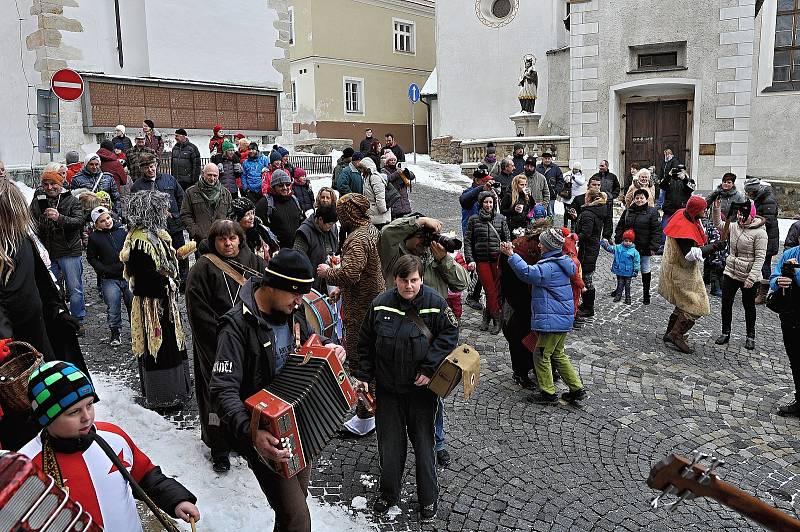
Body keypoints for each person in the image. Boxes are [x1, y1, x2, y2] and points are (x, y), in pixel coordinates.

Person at [210, 250, 346, 532]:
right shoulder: (235, 327)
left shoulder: (291, 310)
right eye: (295, 293)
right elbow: (222, 390)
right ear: (271, 285)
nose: (300, 301)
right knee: (298, 519)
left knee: (293, 506)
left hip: (298, 426)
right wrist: (252, 432)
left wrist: (325, 345)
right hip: (264, 435)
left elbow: (307, 341)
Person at [19, 361, 200, 531]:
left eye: (89, 405)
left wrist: (176, 500)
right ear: (46, 418)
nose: (87, 417)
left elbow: (145, 475)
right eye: (74, 412)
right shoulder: (26, 466)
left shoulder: (113, 437)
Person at [353, 254, 458, 522]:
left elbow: (448, 337)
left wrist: (429, 369)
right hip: (388, 392)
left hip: (422, 394)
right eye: (403, 280)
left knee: (425, 447)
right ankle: (389, 495)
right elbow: (365, 342)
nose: (409, 286)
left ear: (421, 279)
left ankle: (428, 499)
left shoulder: (435, 304)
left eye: (414, 280)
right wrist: (364, 374)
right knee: (390, 447)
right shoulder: (380, 305)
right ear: (394, 280)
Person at [1, 179, 88, 450]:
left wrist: (58, 310)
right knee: (22, 414)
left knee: (46, 399)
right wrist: (5, 343)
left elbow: (42, 282)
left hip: (37, 338)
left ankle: (57, 441)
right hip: (12, 352)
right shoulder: (12, 244)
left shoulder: (21, 240)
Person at [377, 212, 469, 464]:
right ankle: (395, 446)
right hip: (398, 340)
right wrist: (419, 222)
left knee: (433, 395)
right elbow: (386, 232)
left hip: (431, 343)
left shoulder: (434, 260)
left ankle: (437, 443)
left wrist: (444, 260)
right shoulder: (394, 255)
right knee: (396, 396)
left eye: (424, 238)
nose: (423, 242)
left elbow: (463, 283)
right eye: (418, 237)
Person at [186, 219, 264, 473]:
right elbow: (198, 313)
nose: (228, 244)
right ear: (214, 241)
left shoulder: (252, 262)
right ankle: (219, 447)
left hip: (248, 343)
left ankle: (245, 438)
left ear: (240, 239)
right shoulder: (202, 268)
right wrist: (223, 340)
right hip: (216, 345)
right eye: (222, 239)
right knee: (216, 396)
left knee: (247, 390)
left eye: (232, 238)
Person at [317, 194, 385, 436]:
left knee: (360, 361)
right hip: (371, 300)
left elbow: (351, 274)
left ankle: (366, 415)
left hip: (362, 309)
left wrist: (328, 273)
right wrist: (341, 290)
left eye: (342, 213)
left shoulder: (357, 239)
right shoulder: (370, 229)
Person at [121, 190, 193, 409]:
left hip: (163, 303)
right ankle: (164, 396)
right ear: (151, 211)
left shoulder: (155, 234)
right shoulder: (140, 242)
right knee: (159, 348)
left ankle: (176, 390)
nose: (167, 212)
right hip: (154, 306)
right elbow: (144, 280)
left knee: (172, 344)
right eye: (162, 208)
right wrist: (169, 282)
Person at [500, 229, 587, 404]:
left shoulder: (549, 266)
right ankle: (577, 389)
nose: (539, 245)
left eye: (541, 243)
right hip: (562, 318)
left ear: (548, 246)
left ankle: (548, 393)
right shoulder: (563, 261)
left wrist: (511, 254)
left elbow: (528, 273)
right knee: (558, 354)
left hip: (552, 320)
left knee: (540, 354)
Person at [658, 196, 726, 354]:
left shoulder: (686, 213)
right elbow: (690, 254)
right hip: (681, 270)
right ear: (696, 211)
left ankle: (670, 333)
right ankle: (676, 334)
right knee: (696, 305)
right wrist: (715, 247)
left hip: (679, 268)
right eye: (703, 209)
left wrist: (715, 199)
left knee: (683, 302)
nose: (705, 211)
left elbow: (700, 204)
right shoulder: (683, 229)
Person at [30, 170, 87, 333]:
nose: (49, 187)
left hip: (69, 251)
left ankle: (78, 320)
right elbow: (31, 220)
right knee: (52, 288)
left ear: (60, 184)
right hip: (48, 251)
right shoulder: (38, 200)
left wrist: (59, 218)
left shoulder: (71, 200)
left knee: (74, 288)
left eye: (53, 183)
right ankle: (59, 318)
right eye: (46, 184)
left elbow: (79, 221)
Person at [499, 217, 550, 388]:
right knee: (518, 336)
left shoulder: (536, 249)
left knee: (532, 336)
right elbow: (514, 275)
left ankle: (532, 368)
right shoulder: (520, 249)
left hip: (530, 301)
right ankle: (520, 372)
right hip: (517, 300)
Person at [709, 199, 767, 350]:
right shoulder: (734, 226)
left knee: (749, 306)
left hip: (748, 275)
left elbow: (760, 258)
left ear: (752, 216)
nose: (741, 218)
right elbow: (720, 226)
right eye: (739, 215)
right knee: (726, 303)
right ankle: (725, 332)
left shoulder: (760, 233)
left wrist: (752, 278)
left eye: (744, 216)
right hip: (731, 271)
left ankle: (750, 335)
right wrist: (716, 210)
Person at [130, 153, 189, 291]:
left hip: (174, 226)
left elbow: (182, 199)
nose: (150, 170)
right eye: (146, 168)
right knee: (161, 256)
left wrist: (176, 215)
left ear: (156, 165)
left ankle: (184, 280)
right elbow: (135, 211)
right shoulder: (137, 186)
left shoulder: (169, 179)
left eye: (152, 166)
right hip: (154, 230)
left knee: (180, 253)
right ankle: (166, 281)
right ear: (141, 169)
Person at [465, 191, 510, 334]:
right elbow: (468, 241)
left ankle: (487, 315)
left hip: (497, 259)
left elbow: (507, 237)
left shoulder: (501, 218)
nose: (488, 205)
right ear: (481, 203)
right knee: (490, 289)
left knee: (496, 291)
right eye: (486, 202)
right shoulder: (473, 220)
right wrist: (470, 259)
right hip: (481, 260)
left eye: (491, 202)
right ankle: (497, 319)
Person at [86, 206, 132, 346]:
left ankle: (136, 330)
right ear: (96, 224)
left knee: (133, 304)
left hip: (128, 275)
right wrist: (103, 270)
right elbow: (91, 257)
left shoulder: (122, 231)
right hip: (109, 278)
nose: (107, 222)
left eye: (108, 218)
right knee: (113, 306)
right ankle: (115, 332)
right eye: (102, 221)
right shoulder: (94, 238)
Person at [614, 189, 662, 304]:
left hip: (644, 247)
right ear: (634, 199)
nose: (639, 200)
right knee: (622, 268)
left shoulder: (652, 212)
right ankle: (619, 290)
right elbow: (621, 226)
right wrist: (618, 238)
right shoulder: (628, 211)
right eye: (637, 198)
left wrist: (653, 247)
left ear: (646, 199)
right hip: (628, 246)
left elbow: (657, 231)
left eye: (642, 198)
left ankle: (646, 294)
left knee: (645, 269)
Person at [770, 245, 800, 416]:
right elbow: (774, 279)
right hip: (790, 315)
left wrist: (794, 272)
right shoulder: (790, 254)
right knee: (795, 359)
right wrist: (779, 280)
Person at [744, 176, 780, 305]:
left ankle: (763, 293)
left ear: (753, 190)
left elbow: (769, 221)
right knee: (758, 264)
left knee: (764, 265)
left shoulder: (768, 200)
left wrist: (751, 221)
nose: (747, 194)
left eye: (749, 192)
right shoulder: (759, 198)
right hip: (761, 237)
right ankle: (756, 289)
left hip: (768, 239)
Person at [574, 183, 608, 320]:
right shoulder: (594, 211)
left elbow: (586, 233)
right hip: (591, 248)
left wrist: (574, 237)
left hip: (587, 250)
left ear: (589, 198)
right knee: (586, 277)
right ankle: (587, 305)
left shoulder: (589, 213)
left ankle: (589, 307)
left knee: (586, 278)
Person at [181, 163, 233, 244]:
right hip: (200, 240)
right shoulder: (191, 192)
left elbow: (231, 215)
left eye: (215, 176)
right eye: (209, 175)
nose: (212, 178)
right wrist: (195, 232)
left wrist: (226, 231)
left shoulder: (226, 193)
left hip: (222, 240)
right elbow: (185, 215)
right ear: (203, 174)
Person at [294, 205, 339, 293]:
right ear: (320, 220)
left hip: (328, 280)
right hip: (311, 281)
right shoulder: (305, 232)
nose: (332, 226)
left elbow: (334, 250)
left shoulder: (332, 229)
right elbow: (297, 259)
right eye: (329, 224)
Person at [255, 169, 305, 249]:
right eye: (281, 185)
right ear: (274, 187)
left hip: (296, 248)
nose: (285, 188)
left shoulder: (294, 200)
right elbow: (259, 228)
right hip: (277, 251)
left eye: (288, 184)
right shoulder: (265, 203)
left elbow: (302, 221)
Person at [71, 153, 122, 217]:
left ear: (100, 164)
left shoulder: (108, 177)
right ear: (86, 165)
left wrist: (117, 215)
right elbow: (74, 201)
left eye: (96, 164)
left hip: (106, 214)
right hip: (87, 215)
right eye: (91, 164)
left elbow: (116, 198)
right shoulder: (77, 179)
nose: (94, 167)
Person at [600, 230, 641, 305]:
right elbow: (610, 248)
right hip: (619, 271)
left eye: (629, 241)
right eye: (626, 240)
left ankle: (628, 298)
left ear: (632, 242)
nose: (627, 242)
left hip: (628, 272)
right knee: (620, 283)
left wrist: (636, 270)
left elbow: (636, 262)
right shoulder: (618, 248)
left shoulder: (634, 252)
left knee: (627, 285)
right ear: (623, 240)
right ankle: (618, 295)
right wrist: (604, 243)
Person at [659, 163, 695, 230]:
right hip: (669, 212)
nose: (678, 172)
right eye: (677, 170)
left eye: (681, 171)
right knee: (664, 232)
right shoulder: (669, 180)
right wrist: (669, 175)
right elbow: (662, 186)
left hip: (682, 212)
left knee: (681, 232)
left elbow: (690, 189)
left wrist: (684, 179)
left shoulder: (689, 181)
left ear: (685, 171)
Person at [590, 160, 620, 240]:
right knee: (597, 219)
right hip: (597, 202)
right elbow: (589, 186)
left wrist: (611, 196)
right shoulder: (595, 176)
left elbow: (617, 188)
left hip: (608, 202)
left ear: (607, 166)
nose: (600, 168)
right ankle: (595, 236)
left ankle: (607, 237)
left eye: (602, 166)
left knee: (608, 220)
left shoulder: (612, 176)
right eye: (600, 166)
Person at [381, 151, 414, 220]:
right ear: (387, 162)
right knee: (394, 215)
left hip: (402, 195)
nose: (393, 162)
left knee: (401, 216)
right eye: (391, 160)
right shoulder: (384, 170)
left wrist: (406, 172)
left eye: (394, 160)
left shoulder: (399, 168)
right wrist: (396, 173)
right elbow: (387, 179)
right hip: (393, 195)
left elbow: (412, 177)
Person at [361, 157, 391, 229]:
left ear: (367, 168)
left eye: (362, 168)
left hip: (379, 215)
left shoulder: (374, 177)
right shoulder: (367, 177)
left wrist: (383, 209)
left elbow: (380, 196)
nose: (361, 170)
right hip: (373, 213)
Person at [560, 161, 586, 231]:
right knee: (566, 211)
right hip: (567, 196)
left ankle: (572, 226)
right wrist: (566, 178)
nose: (574, 170)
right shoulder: (569, 173)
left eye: (576, 169)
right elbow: (562, 177)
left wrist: (574, 177)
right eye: (574, 169)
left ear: (579, 169)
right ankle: (565, 226)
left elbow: (581, 182)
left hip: (575, 198)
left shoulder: (581, 175)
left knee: (574, 212)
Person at [536, 152, 564, 217]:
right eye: (546, 158)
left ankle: (550, 225)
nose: (547, 160)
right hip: (539, 195)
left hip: (551, 194)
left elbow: (560, 180)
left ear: (551, 159)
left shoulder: (555, 168)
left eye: (549, 158)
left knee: (550, 213)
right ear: (542, 159)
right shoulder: (537, 168)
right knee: (539, 212)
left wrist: (556, 190)